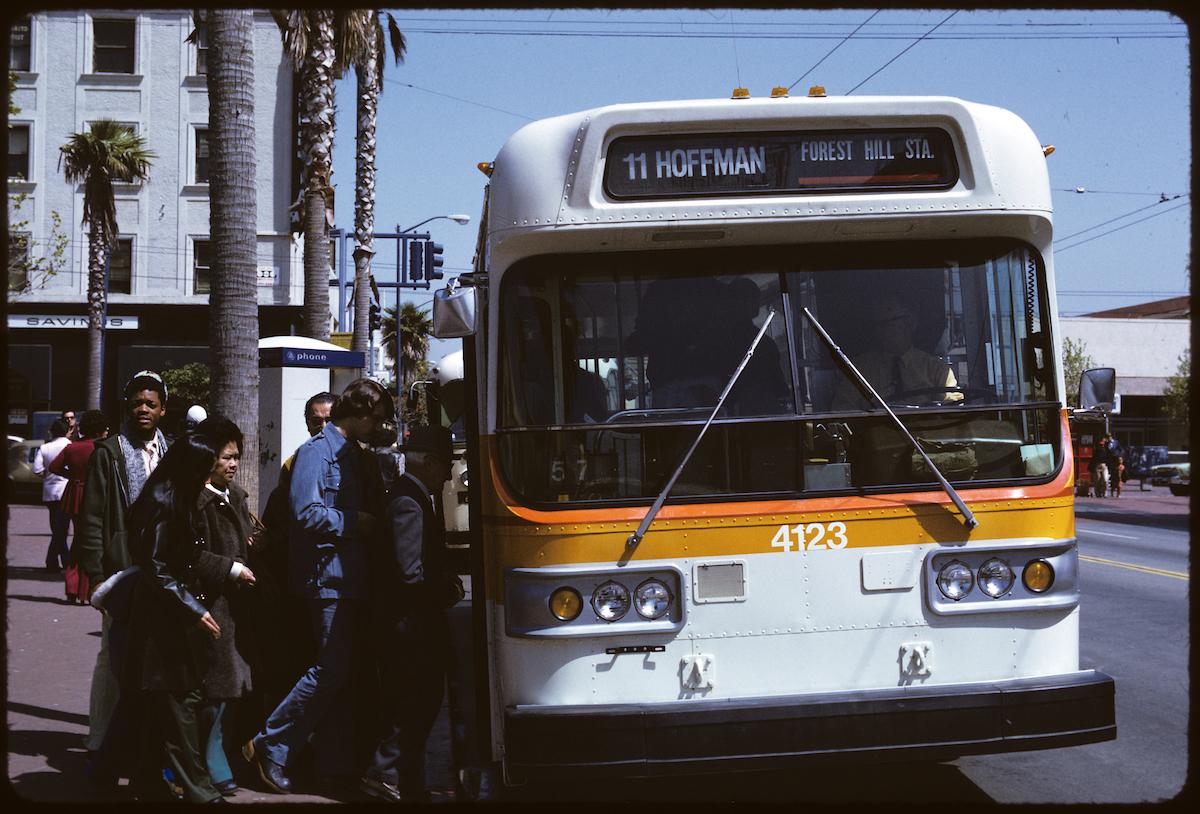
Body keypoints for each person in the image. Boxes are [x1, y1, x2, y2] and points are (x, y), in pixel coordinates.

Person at [243, 379, 392, 794]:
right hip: (326, 578)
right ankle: (271, 743)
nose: (377, 427)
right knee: (330, 669)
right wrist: (353, 522)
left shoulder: (353, 456)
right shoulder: (315, 454)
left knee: (341, 674)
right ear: (359, 413)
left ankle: (333, 764)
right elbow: (305, 512)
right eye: (375, 419)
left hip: (348, 577)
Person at [122, 417, 257, 803]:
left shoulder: (173, 496)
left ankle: (141, 778)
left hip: (170, 617)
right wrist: (192, 609)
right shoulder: (165, 502)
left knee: (166, 703)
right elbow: (158, 566)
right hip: (165, 620)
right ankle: (200, 791)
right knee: (181, 703)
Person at [74, 370, 170, 787]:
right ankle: (101, 742)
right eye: (136, 403)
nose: (143, 409)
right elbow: (91, 517)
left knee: (146, 661)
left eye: (151, 403)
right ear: (126, 407)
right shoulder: (107, 454)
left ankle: (137, 747)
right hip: (120, 569)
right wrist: (96, 575)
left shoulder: (169, 450)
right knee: (112, 660)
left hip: (159, 569)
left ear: (163, 409)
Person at [361, 426, 463, 803]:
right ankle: (384, 773)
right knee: (415, 705)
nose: (451, 474)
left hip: (412, 626)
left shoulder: (415, 497)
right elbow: (409, 573)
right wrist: (444, 590)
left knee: (419, 704)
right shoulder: (408, 501)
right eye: (447, 464)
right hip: (410, 629)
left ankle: (407, 782)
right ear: (431, 462)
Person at [242, 392, 337, 750]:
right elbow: (276, 525)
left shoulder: (349, 461)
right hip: (296, 590)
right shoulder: (295, 464)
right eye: (316, 420)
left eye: (329, 419)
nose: (322, 427)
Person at [832, 298, 963, 410]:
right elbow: (843, 410)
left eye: (887, 323)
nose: (880, 331)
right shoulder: (859, 370)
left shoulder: (937, 369)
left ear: (909, 323)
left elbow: (952, 408)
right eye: (877, 325)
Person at [49, 410, 110, 603]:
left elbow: (53, 468)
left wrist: (73, 478)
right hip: (97, 495)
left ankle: (74, 588)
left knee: (78, 540)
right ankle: (84, 590)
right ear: (100, 429)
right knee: (90, 542)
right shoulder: (103, 448)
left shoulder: (73, 448)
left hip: (75, 494)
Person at [32, 419, 72, 573]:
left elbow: (37, 469)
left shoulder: (45, 447)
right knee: (62, 528)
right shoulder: (69, 446)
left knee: (56, 527)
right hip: (65, 490)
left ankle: (53, 562)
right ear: (67, 430)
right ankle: (63, 562)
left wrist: (47, 476)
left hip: (49, 491)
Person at [1091, 433, 1111, 498]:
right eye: (1102, 441)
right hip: (1097, 465)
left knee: (1105, 480)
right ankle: (1098, 493)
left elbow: (1110, 455)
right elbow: (1094, 457)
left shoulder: (1107, 447)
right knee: (1098, 480)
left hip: (1104, 465)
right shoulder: (1096, 448)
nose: (1102, 442)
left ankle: (1104, 492)